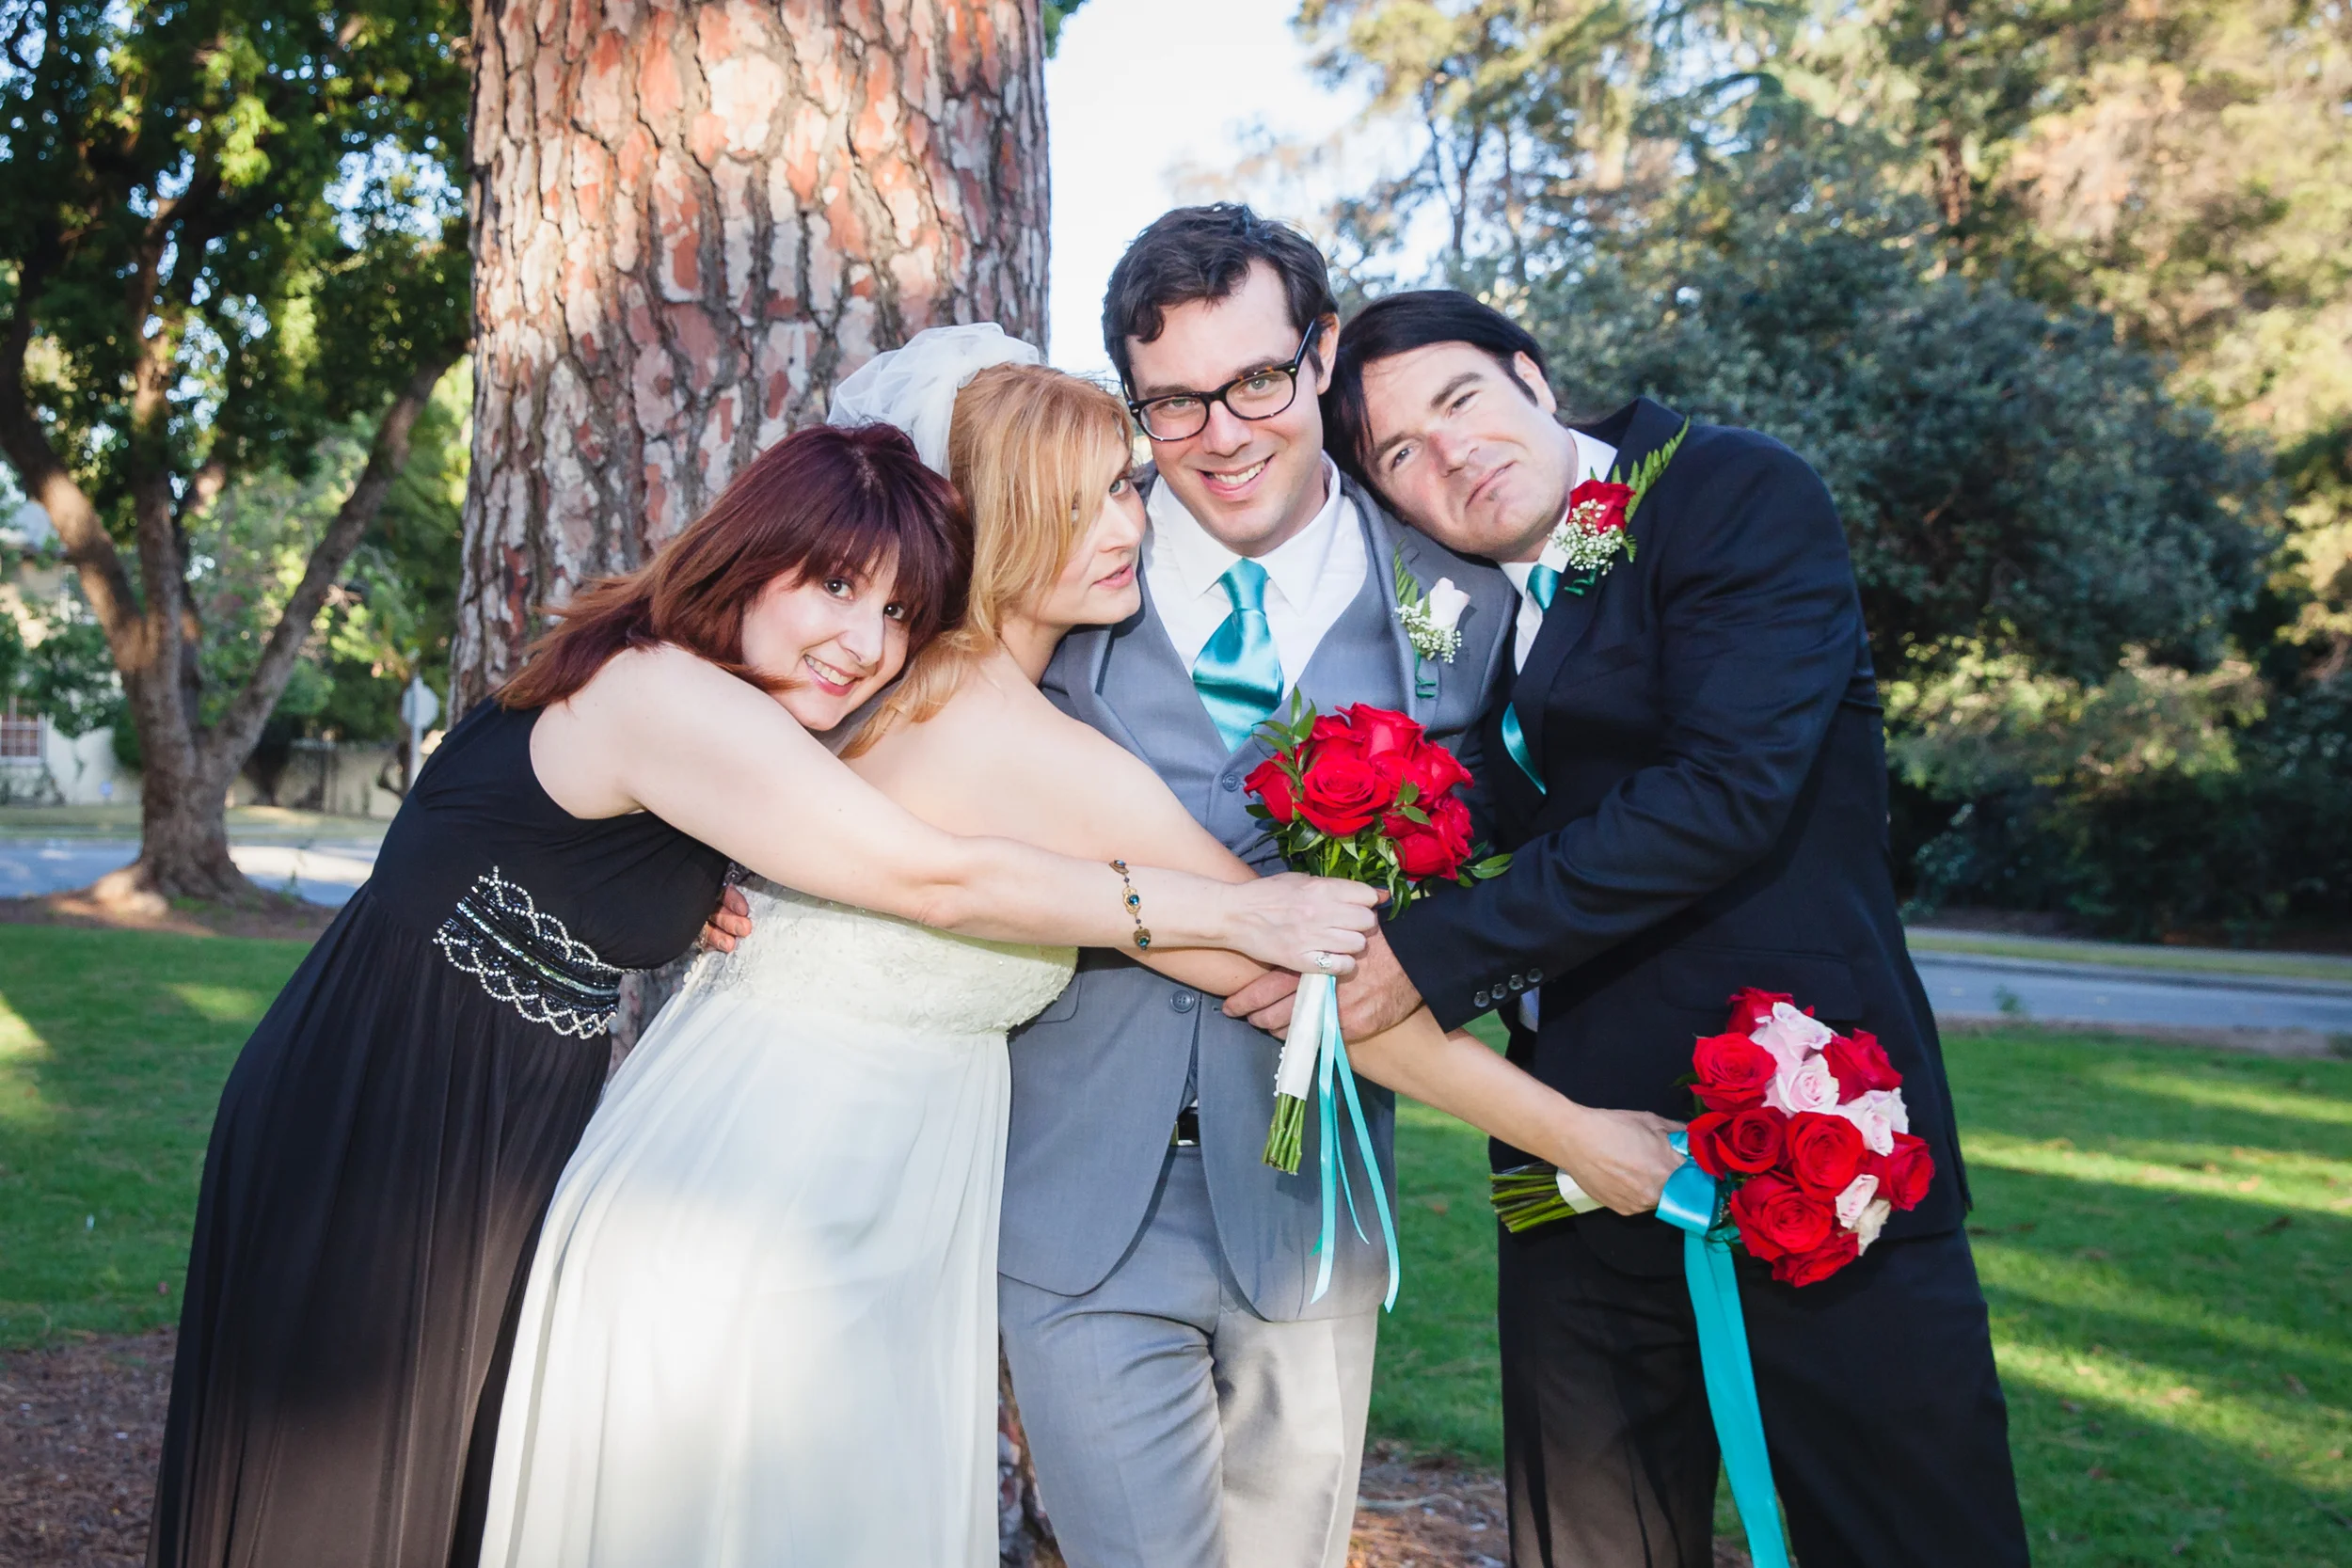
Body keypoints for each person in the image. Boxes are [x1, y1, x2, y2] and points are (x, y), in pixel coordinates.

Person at [501, 327, 1683, 1567]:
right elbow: (1300, 991)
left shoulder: (888, 678)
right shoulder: (1016, 739)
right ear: (997, 525)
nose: (1129, 524)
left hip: (789, 1160)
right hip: (783, 1201)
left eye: (1124, 485)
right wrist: (1573, 1135)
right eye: (1078, 507)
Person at [146, 415, 1377, 1568]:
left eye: (897, 611)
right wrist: (1237, 909)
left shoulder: (709, 698)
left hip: (491, 1110)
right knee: (343, 1495)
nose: (865, 641)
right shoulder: (662, 689)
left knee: (424, 1495)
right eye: (833, 585)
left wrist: (682, 893)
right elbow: (932, 876)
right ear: (748, 556)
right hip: (390, 1106)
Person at [1226, 289, 2031, 1568]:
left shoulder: (1729, 494)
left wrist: (1424, 961)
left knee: (1906, 1532)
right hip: (1570, 1161)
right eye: (1401, 453)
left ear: (1533, 377)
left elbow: (1724, 791)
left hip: (1808, 1127)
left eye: (1462, 399)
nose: (1453, 454)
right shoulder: (1454, 615)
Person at [985, 207, 1676, 1568]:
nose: (1222, 435)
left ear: (1321, 355)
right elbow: (883, 710)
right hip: (1073, 1192)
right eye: (1174, 404)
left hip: (1315, 1207)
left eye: (1255, 380)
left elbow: (1554, 842)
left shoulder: (1469, 601)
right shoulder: (1052, 568)